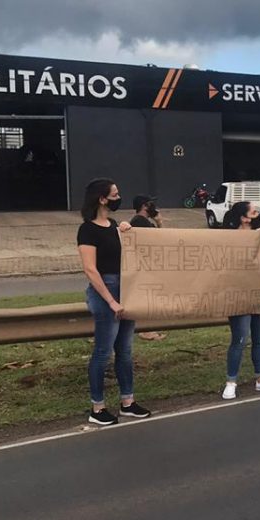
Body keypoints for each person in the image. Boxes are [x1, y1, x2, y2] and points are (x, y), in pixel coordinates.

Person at [76, 177, 151, 425]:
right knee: (103, 351)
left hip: (124, 288)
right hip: (105, 291)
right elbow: (90, 269)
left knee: (125, 351)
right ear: (102, 199)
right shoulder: (87, 229)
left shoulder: (113, 225)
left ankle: (127, 402)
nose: (119, 198)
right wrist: (110, 301)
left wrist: (127, 233)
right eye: (115, 194)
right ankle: (97, 408)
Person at [219, 201, 260, 400]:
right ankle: (231, 381)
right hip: (238, 295)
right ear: (243, 217)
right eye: (254, 212)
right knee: (239, 339)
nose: (258, 214)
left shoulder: (259, 236)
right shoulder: (228, 238)